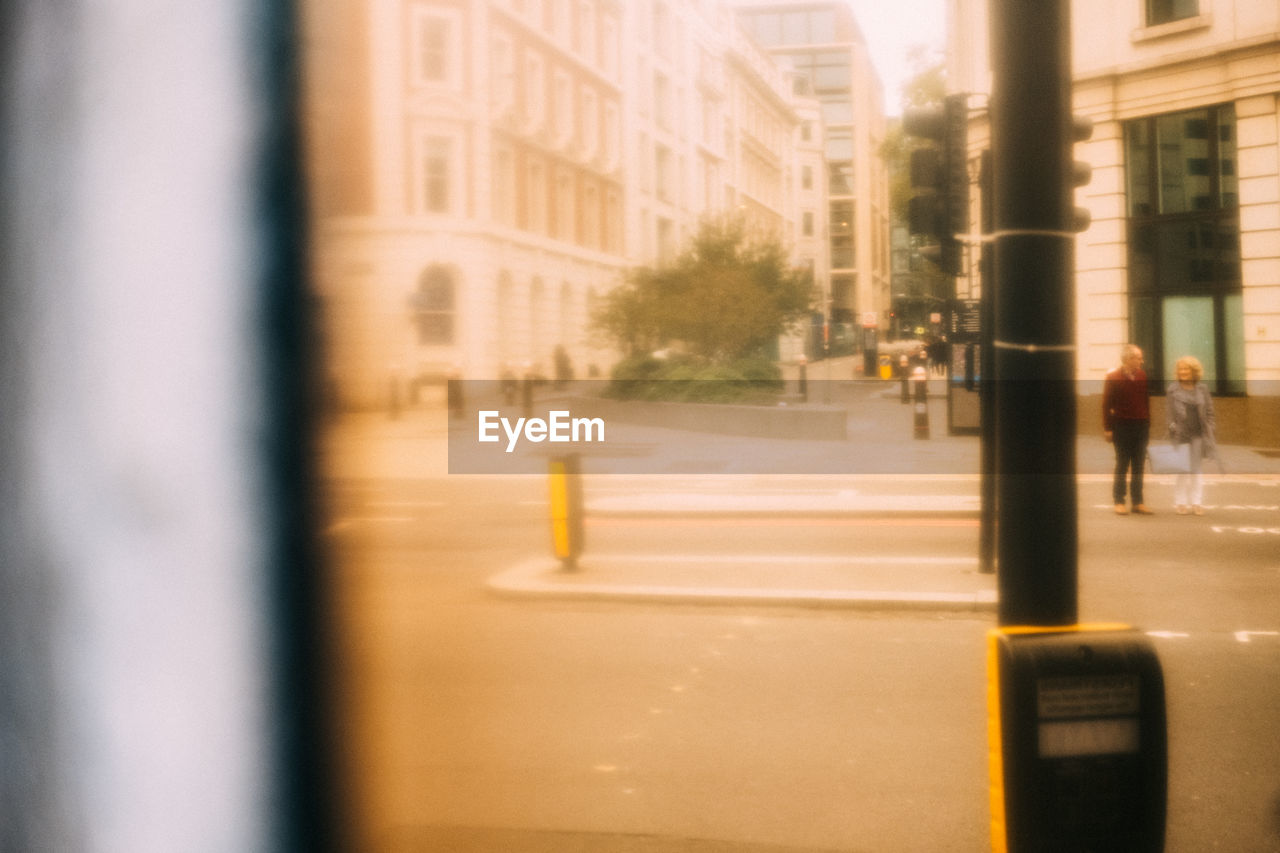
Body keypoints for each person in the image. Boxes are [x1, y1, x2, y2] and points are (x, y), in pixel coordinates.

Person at [1103, 344, 1153, 515]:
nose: (1141, 361)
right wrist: (1108, 428)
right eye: (1138, 358)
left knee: (1139, 465)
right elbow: (1106, 405)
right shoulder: (1113, 377)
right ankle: (1119, 501)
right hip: (1121, 427)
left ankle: (1138, 502)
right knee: (1122, 464)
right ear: (1129, 359)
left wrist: (1147, 424)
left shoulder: (1142, 375)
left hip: (1141, 426)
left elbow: (1145, 401)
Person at [1166, 355, 1216, 516]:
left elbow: (1209, 411)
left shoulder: (1202, 389)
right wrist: (1172, 427)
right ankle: (1180, 502)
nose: (1183, 372)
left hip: (1199, 434)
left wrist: (1210, 428)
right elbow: (1169, 413)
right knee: (1182, 470)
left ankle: (1196, 502)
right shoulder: (1173, 389)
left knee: (1196, 470)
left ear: (1194, 371)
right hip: (1181, 434)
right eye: (1180, 369)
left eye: (1186, 369)